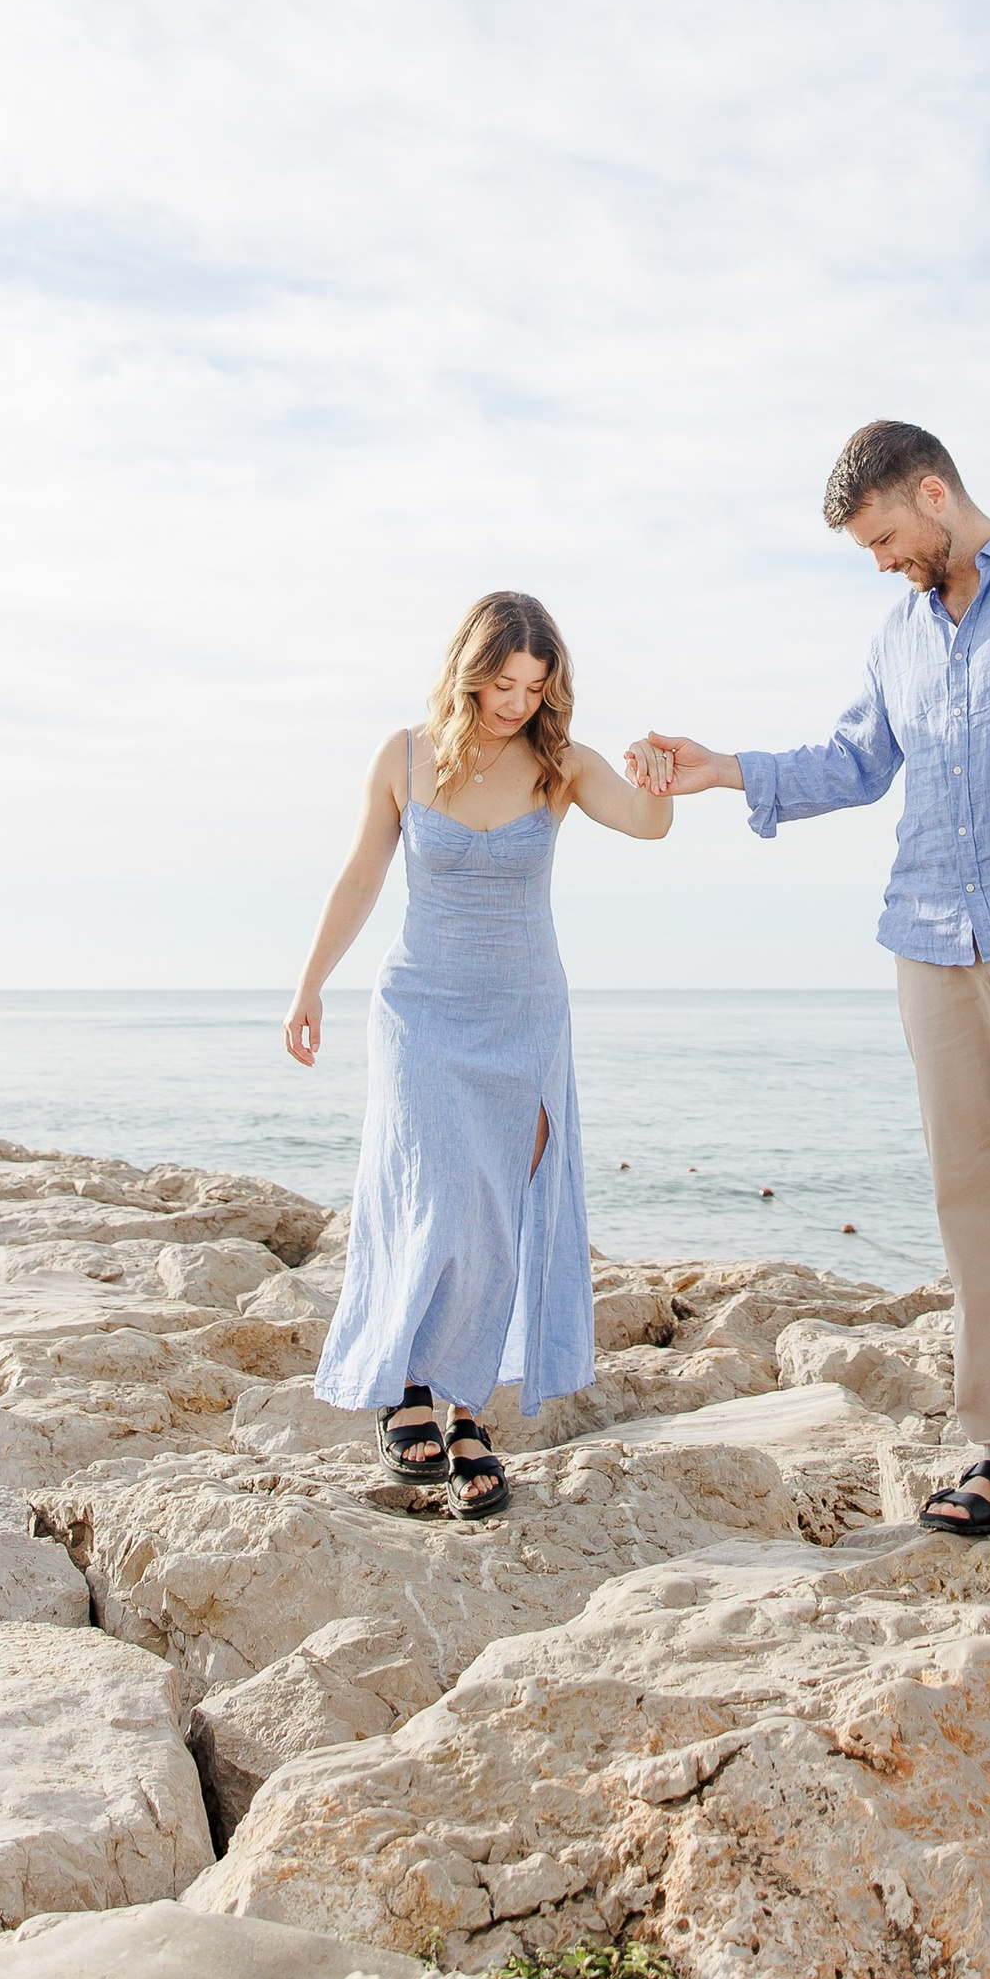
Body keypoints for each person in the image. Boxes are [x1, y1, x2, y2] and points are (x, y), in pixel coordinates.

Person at [631, 421, 990, 1584]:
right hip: (931, 940)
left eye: (888, 536)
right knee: (968, 1200)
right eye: (869, 548)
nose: (883, 560)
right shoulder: (895, 630)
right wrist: (723, 768)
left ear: (934, 494)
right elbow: (853, 760)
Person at [285, 589, 672, 1516]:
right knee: (438, 1194)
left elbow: (646, 826)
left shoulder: (560, 763)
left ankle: (466, 1413)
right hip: (421, 1008)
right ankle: (407, 1389)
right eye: (504, 683)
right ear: (470, 671)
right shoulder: (404, 755)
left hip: (526, 1016)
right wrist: (309, 987)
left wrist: (659, 780)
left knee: (500, 1210)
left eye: (536, 688)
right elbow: (361, 875)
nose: (517, 703)